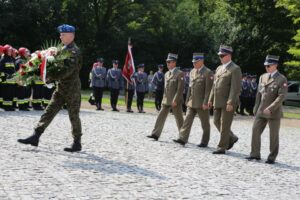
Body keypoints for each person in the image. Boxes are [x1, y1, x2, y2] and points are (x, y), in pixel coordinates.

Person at [18, 24, 83, 152]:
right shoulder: (62, 49)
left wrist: (50, 77)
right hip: (61, 88)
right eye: (60, 34)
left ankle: (77, 142)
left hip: (72, 89)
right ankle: (36, 136)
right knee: (49, 111)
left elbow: (67, 71)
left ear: (71, 35)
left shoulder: (74, 51)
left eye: (63, 34)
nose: (60, 36)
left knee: (73, 116)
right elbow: (52, 65)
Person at [246, 55, 288, 164]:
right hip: (261, 110)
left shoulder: (282, 79)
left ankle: (271, 157)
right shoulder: (263, 77)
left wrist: (271, 108)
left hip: (273, 112)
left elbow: (281, 96)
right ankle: (255, 154)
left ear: (275, 65)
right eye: (265, 65)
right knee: (255, 131)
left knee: (273, 135)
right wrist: (255, 107)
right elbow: (259, 94)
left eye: (269, 65)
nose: (266, 67)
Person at [173, 53, 213, 147]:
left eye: (196, 62)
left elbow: (209, 90)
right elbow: (190, 87)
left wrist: (206, 102)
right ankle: (182, 138)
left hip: (202, 103)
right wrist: (187, 100)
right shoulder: (192, 72)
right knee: (187, 120)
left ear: (201, 61)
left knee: (205, 124)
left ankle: (204, 141)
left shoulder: (208, 72)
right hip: (192, 102)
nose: (194, 64)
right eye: (193, 62)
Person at [208, 45, 242, 154]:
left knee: (225, 124)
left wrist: (230, 102)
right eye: (219, 55)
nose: (220, 57)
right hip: (217, 101)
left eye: (223, 55)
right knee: (216, 121)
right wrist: (210, 99)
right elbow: (214, 85)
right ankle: (231, 137)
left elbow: (235, 88)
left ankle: (221, 147)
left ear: (229, 56)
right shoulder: (219, 68)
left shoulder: (235, 69)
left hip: (227, 102)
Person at [147, 53, 184, 141]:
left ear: (174, 63)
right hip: (166, 100)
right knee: (160, 116)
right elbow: (165, 88)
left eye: (169, 62)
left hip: (175, 101)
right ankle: (155, 134)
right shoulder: (166, 73)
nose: (167, 64)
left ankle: (183, 137)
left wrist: (175, 100)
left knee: (179, 119)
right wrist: (164, 98)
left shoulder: (179, 73)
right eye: (167, 62)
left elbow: (180, 89)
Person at [0, 44, 16, 111]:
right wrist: (5, 77)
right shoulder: (3, 59)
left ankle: (10, 106)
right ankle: (6, 107)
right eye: (9, 51)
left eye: (11, 51)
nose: (10, 52)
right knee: (6, 95)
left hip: (12, 81)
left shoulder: (12, 59)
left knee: (11, 94)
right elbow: (0, 70)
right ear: (5, 51)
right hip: (6, 81)